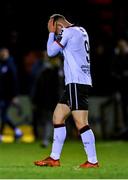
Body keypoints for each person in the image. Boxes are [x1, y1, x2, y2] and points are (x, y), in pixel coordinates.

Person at [34, 14, 99, 168]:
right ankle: (54, 158)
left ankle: (93, 161)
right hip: (77, 82)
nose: (57, 34)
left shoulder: (67, 32)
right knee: (58, 117)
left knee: (81, 123)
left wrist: (51, 33)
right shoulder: (81, 30)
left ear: (58, 25)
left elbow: (50, 52)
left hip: (76, 82)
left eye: (55, 30)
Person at [0, 47, 23, 142]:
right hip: (2, 94)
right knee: (3, 115)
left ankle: (1, 134)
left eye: (4, 53)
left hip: (8, 95)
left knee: (3, 114)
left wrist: (15, 95)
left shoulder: (10, 64)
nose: (2, 54)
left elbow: (14, 81)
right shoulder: (1, 65)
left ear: (7, 53)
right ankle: (17, 131)